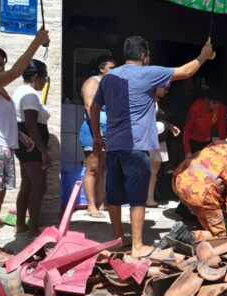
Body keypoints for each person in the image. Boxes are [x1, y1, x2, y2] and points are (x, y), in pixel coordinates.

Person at [89, 35, 214, 257]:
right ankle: (137, 246)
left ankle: (119, 239)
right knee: (138, 197)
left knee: (114, 196)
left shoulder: (108, 78)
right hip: (136, 147)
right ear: (144, 56)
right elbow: (186, 72)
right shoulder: (149, 72)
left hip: (114, 146)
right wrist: (204, 56)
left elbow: (95, 106)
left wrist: (97, 136)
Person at [0, 29, 49, 262]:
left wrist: (21, 137)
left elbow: (1, 119)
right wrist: (36, 42)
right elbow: (16, 72)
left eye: (0, 64)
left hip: (2, 147)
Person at [169, 127, 227, 244]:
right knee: (219, 237)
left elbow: (197, 158)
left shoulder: (217, 143)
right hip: (201, 194)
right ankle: (185, 236)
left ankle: (184, 227)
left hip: (179, 183)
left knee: (202, 210)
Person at [13, 59, 50, 238]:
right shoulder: (30, 95)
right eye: (45, 78)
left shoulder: (21, 91)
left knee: (27, 184)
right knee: (39, 186)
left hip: (25, 143)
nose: (45, 82)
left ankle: (21, 225)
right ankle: (33, 228)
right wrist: (43, 150)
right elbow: (31, 124)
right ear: (36, 77)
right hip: (31, 145)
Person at [79, 55, 116, 218]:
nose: (114, 71)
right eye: (111, 68)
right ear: (102, 69)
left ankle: (101, 202)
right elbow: (89, 106)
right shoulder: (92, 82)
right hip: (93, 131)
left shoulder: (110, 86)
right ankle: (91, 205)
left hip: (107, 131)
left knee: (101, 168)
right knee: (93, 168)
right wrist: (97, 133)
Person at [147, 86, 180, 208]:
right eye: (164, 88)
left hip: (159, 139)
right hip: (149, 140)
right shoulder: (148, 101)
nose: (166, 91)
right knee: (147, 169)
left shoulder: (159, 102)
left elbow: (161, 119)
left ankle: (149, 198)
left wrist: (170, 126)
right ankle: (143, 199)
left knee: (154, 170)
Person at [183, 91, 226, 158]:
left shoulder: (220, 108)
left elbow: (221, 128)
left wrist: (224, 148)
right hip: (193, 140)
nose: (216, 106)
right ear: (207, 100)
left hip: (207, 141)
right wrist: (187, 151)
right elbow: (187, 128)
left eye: (218, 104)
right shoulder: (196, 107)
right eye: (214, 103)